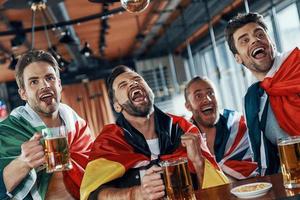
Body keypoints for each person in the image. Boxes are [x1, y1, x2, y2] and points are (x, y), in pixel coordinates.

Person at [80, 65, 229, 200]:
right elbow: (92, 195)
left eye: (137, 79)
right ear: (117, 106)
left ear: (150, 90)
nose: (133, 83)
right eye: (123, 85)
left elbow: (220, 192)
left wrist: (198, 162)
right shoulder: (109, 141)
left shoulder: (183, 129)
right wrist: (135, 194)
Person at [0, 50, 93, 200]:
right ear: (23, 93)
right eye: (34, 81)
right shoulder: (7, 132)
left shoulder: (77, 125)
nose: (44, 85)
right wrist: (23, 162)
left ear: (59, 84)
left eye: (49, 78)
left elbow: (96, 168)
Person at [225, 12, 300, 175]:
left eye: (259, 34)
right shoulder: (253, 99)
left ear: (271, 42)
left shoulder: (297, 67)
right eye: (244, 40)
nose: (254, 40)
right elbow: (264, 160)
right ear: (238, 58)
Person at [184, 76, 258, 180]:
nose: (207, 99)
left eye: (211, 93)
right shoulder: (184, 138)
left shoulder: (238, 125)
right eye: (198, 96)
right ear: (188, 106)